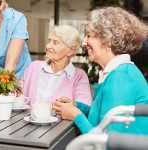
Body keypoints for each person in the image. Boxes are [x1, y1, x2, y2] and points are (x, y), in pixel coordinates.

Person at [52, 7, 148, 135]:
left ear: (108, 41)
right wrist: (78, 106)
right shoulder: (118, 72)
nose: (84, 42)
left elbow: (106, 143)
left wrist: (76, 116)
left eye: (89, 35)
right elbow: (105, 114)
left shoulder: (121, 78)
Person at [20, 25, 92, 106]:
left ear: (71, 50)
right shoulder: (33, 67)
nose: (48, 46)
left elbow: (84, 106)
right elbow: (17, 95)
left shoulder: (79, 76)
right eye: (49, 41)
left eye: (55, 43)